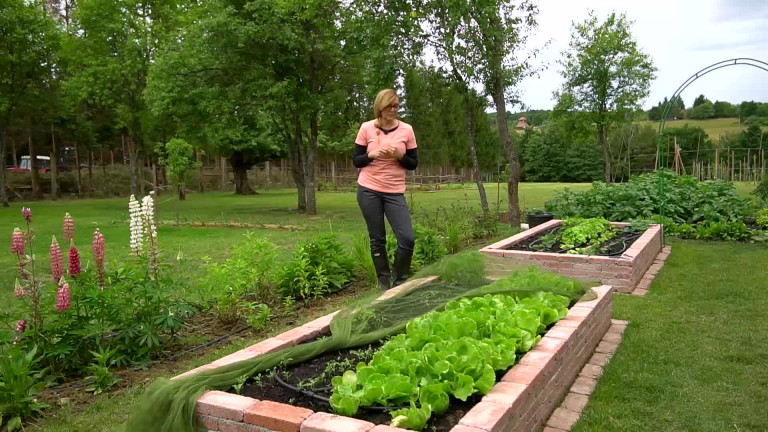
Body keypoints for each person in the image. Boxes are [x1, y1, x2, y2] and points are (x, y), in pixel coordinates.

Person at [352, 89, 419, 291]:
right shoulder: (366, 128)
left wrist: (400, 155)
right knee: (377, 238)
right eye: (389, 106)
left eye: (396, 106)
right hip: (368, 189)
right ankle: (384, 283)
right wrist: (372, 154)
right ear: (380, 108)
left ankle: (399, 281)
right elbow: (357, 161)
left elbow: (413, 164)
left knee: (407, 239)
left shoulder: (407, 130)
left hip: (394, 191)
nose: (393, 110)